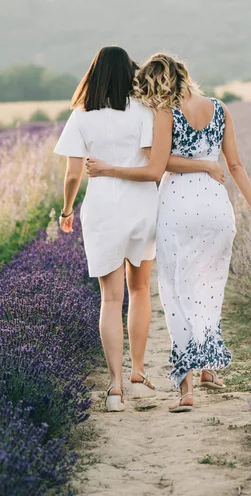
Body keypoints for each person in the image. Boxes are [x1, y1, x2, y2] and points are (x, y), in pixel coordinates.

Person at [86, 53, 251, 413]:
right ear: (185, 75)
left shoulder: (165, 113)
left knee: (176, 292)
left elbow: (157, 166)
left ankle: (186, 388)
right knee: (209, 287)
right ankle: (208, 368)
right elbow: (234, 164)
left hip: (177, 206)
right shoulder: (219, 108)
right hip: (218, 208)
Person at [54, 46, 173, 412]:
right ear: (129, 73)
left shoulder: (81, 115)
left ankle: (116, 388)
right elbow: (156, 162)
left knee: (110, 299)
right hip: (141, 206)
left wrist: (67, 209)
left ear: (95, 73)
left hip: (102, 210)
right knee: (139, 292)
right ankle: (138, 375)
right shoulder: (144, 111)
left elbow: (74, 173)